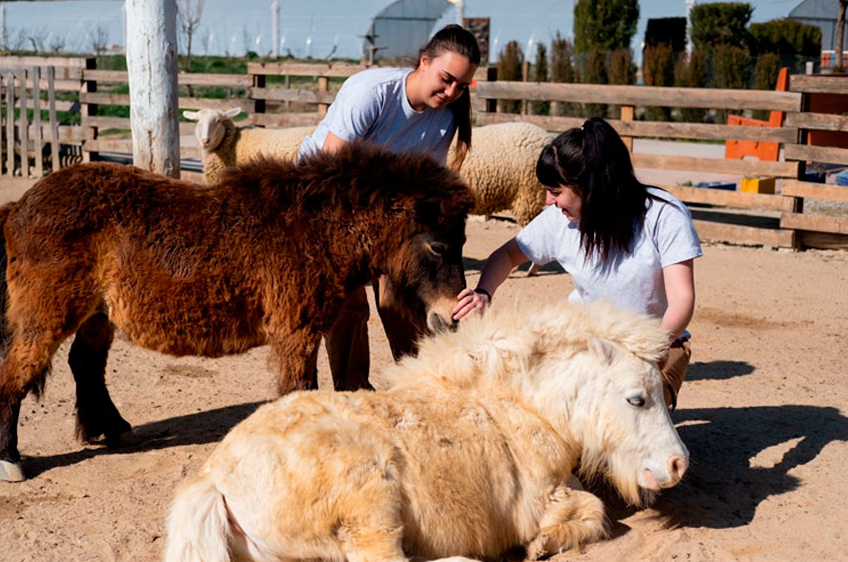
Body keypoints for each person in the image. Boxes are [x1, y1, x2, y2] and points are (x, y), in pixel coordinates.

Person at [453, 117, 702, 409]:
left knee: (620, 413)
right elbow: (507, 256)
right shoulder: (560, 221)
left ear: (592, 185)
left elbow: (682, 297)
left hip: (656, 344)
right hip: (586, 341)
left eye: (556, 191)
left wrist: (654, 345)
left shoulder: (663, 214)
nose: (547, 201)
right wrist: (483, 293)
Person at [297, 24, 481, 392]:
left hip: (387, 211)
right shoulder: (371, 93)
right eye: (446, 80)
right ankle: (354, 394)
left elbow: (422, 187)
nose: (450, 93)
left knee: (401, 293)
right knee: (349, 305)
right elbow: (328, 172)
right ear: (424, 61)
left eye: (461, 87)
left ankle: (419, 385)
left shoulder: (444, 119)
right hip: (328, 201)